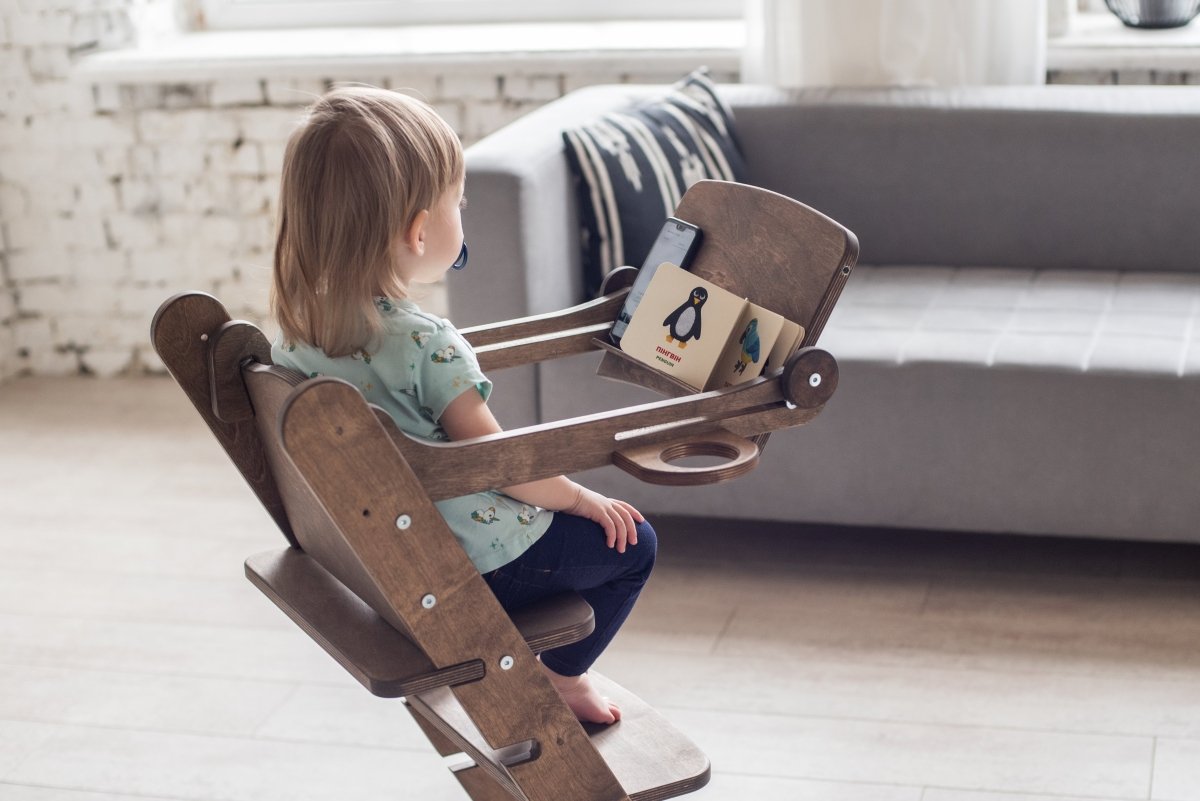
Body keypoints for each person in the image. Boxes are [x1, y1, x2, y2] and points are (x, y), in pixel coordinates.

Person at [269, 86, 656, 725]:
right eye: (460, 203)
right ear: (420, 232)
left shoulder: (294, 333)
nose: (463, 217)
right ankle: (563, 676)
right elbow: (502, 463)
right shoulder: (425, 342)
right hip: (473, 564)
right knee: (634, 544)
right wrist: (586, 499)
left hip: (385, 556)